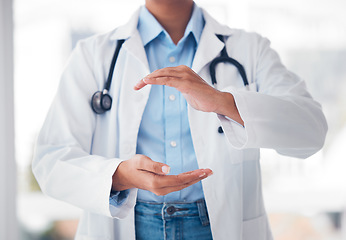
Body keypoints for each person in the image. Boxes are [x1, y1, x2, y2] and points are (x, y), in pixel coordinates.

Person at [32, 0, 328, 239]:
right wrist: (120, 175)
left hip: (218, 227)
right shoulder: (93, 55)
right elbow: (52, 160)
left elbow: (311, 131)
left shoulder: (251, 49)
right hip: (131, 225)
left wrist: (223, 101)